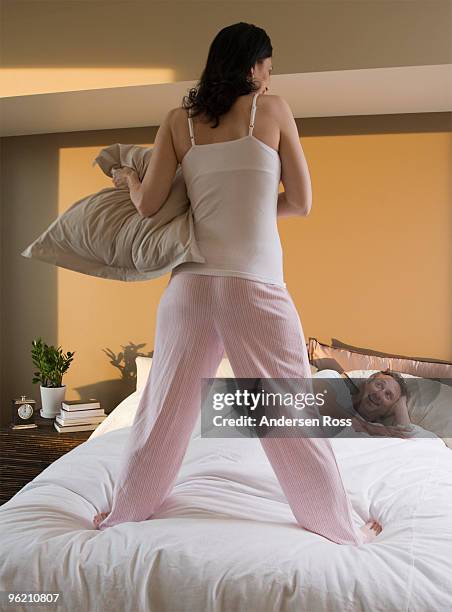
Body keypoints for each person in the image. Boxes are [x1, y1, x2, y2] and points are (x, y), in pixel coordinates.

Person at [93, 22, 381, 545]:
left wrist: (128, 179)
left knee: (162, 412)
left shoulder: (178, 122)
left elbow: (150, 205)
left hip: (191, 290)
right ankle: (339, 528)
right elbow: (301, 202)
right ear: (254, 65)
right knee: (287, 410)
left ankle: (122, 515)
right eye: (268, 68)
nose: (270, 80)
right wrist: (252, 203)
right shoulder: (273, 110)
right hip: (254, 289)